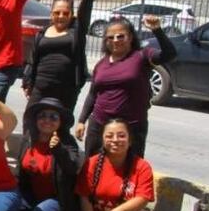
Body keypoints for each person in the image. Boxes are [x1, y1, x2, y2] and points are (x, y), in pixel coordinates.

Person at [75, 16, 175, 158]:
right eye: (110, 37)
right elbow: (92, 94)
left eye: (120, 36)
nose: (115, 40)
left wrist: (157, 30)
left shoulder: (142, 56)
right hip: (99, 126)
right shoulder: (101, 65)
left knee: (130, 168)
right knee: (94, 167)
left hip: (131, 127)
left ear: (130, 37)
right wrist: (81, 121)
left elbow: (170, 54)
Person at [12, 98, 82, 211]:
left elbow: (72, 167)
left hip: (59, 199)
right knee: (6, 204)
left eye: (53, 117)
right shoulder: (29, 139)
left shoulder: (67, 142)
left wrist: (58, 150)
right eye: (42, 116)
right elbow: (21, 171)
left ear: (60, 122)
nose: (47, 120)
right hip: (32, 195)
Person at [22, 0, 101, 111]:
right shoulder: (41, 34)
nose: (61, 16)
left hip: (66, 91)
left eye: (65, 13)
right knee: (31, 120)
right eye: (57, 13)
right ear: (51, 14)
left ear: (72, 14)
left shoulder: (76, 32)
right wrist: (27, 82)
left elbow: (85, 10)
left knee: (60, 123)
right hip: (39, 89)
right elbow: (32, 61)